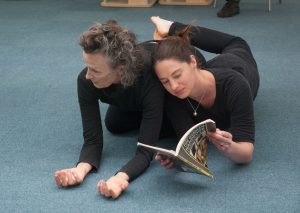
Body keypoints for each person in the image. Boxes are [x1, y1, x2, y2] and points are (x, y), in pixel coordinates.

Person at [54, 20, 173, 199]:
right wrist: (80, 169)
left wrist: (120, 178)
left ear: (121, 69)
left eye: (95, 70)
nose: (87, 75)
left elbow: (145, 150)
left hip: (173, 86)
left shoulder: (150, 77)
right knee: (115, 124)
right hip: (133, 90)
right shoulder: (86, 81)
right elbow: (92, 141)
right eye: (87, 66)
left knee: (171, 126)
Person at [150, 16, 259, 169]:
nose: (174, 86)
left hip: (238, 61)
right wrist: (177, 158)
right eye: (165, 81)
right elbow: (191, 145)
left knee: (236, 42)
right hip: (209, 69)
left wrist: (229, 147)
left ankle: (172, 27)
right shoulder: (173, 95)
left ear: (193, 62)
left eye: (177, 75)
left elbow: (246, 153)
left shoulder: (235, 85)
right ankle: (167, 41)